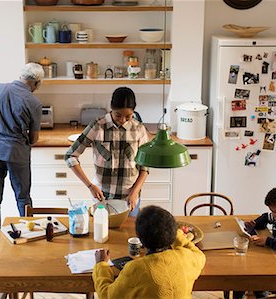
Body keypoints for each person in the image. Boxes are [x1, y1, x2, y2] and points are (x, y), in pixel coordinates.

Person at [0, 62, 43, 247]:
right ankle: (27, 237)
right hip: (17, 154)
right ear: (37, 83)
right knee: (23, 197)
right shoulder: (34, 102)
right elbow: (33, 138)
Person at [65, 87, 148, 216]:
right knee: (101, 233)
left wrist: (135, 192)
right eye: (118, 115)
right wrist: (90, 186)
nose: (122, 120)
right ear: (111, 108)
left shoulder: (139, 129)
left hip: (130, 198)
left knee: (129, 234)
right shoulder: (98, 126)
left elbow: (144, 167)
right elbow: (70, 156)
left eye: (128, 116)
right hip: (102, 197)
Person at [92, 205, 206, 299]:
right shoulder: (187, 257)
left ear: (141, 240)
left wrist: (101, 265)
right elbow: (198, 253)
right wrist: (177, 235)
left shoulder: (136, 269)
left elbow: (107, 296)